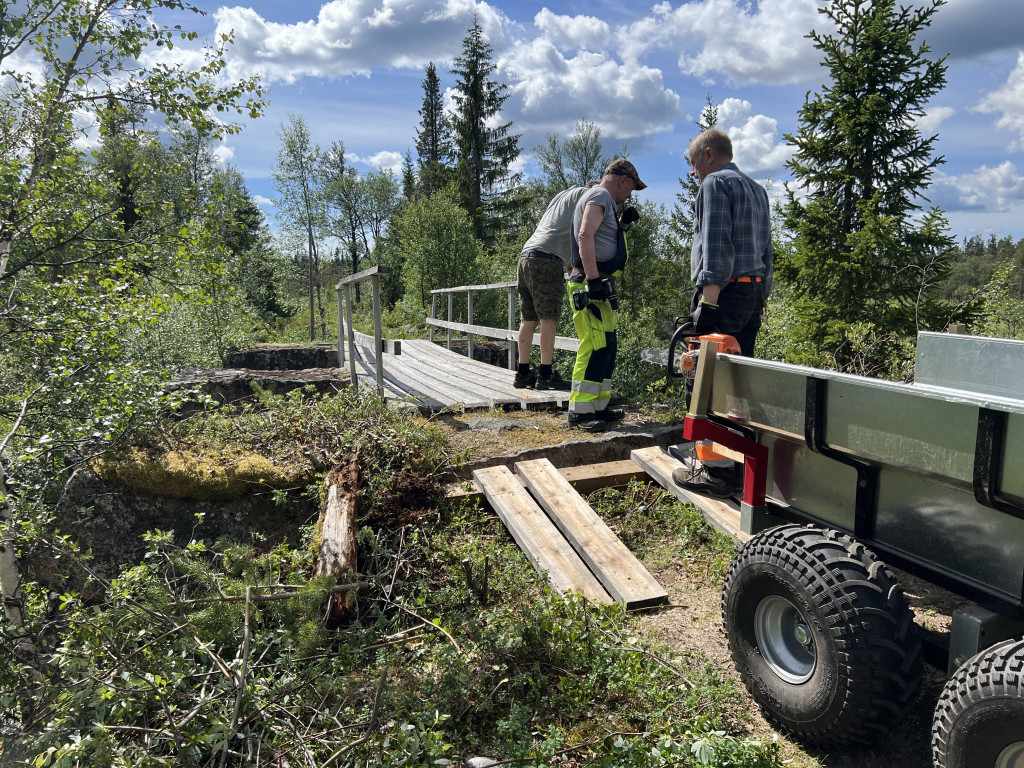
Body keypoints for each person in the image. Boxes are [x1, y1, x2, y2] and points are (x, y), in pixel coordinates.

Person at [672, 128, 773, 496]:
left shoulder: (714, 185)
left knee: (705, 381)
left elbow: (716, 245)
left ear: (709, 155)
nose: (693, 171)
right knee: (738, 381)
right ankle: (735, 462)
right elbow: (767, 250)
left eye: (693, 162)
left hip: (724, 294)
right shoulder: (757, 190)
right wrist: (761, 295)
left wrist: (708, 302)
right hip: (752, 295)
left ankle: (715, 472)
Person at [566, 158, 645, 432]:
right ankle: (580, 410)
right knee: (595, 345)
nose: (629, 196)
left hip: (602, 285)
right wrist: (593, 280)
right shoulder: (599, 194)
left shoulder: (605, 202)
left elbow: (601, 238)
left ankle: (599, 405)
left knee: (608, 347)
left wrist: (622, 225)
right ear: (623, 180)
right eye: (631, 189)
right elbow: (585, 235)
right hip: (592, 284)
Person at [514, 183, 598, 390]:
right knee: (549, 318)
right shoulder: (589, 196)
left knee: (529, 318)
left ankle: (522, 373)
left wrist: (568, 266)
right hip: (546, 260)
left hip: (526, 256)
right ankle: (545, 374)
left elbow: (558, 233)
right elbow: (584, 235)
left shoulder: (563, 195)